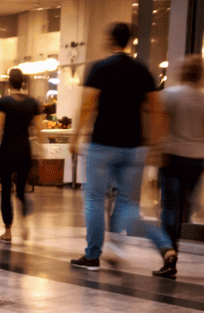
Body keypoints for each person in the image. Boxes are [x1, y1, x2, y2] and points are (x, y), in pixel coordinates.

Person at [69, 22, 176, 275]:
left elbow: (88, 105)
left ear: (110, 41)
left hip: (102, 145)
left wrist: (76, 136)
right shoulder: (142, 70)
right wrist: (156, 146)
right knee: (129, 206)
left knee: (94, 200)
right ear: (129, 42)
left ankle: (92, 256)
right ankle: (163, 246)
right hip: (134, 147)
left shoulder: (99, 68)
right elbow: (157, 110)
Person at [152, 54, 204, 279]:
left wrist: (155, 153)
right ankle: (174, 249)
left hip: (173, 157)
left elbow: (158, 126)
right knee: (184, 208)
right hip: (197, 159)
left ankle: (170, 258)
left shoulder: (169, 95)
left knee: (170, 208)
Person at [0, 68, 40, 244]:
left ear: (9, 82)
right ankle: (24, 222)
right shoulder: (33, 102)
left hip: (7, 148)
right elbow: (39, 130)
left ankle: (8, 231)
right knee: (22, 189)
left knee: (6, 190)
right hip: (25, 149)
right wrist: (38, 149)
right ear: (23, 82)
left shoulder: (2, 102)